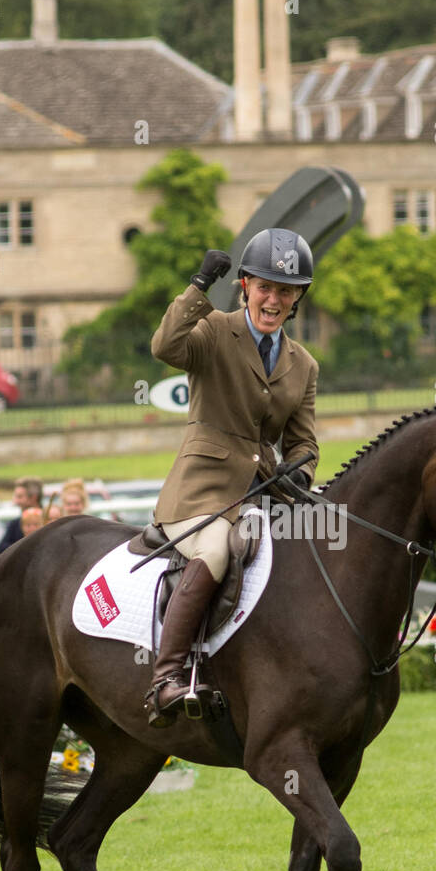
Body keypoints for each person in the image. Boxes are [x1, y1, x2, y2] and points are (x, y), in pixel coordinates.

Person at [144, 228, 319, 727]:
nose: (274, 298)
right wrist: (198, 287)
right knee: (216, 549)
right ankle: (166, 678)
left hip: (265, 494)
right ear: (245, 285)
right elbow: (165, 346)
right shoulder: (216, 331)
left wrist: (301, 473)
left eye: (285, 291)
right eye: (265, 286)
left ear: (296, 299)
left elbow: (304, 442)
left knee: (326, 540)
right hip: (202, 491)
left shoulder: (303, 364)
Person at [0, 477, 43, 553]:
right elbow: (0, 550)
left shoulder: (50, 519)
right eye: (28, 525)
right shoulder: (15, 524)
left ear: (33, 498)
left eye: (20, 497)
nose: (16, 502)